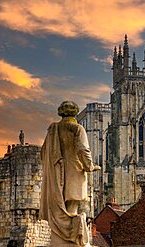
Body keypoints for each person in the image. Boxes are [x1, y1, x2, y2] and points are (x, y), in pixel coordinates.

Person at [40, 101, 100, 246]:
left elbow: (43, 152)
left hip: (57, 174)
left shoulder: (53, 130)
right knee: (72, 207)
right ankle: (71, 238)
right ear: (75, 112)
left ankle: (61, 239)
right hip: (75, 172)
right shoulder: (77, 129)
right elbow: (83, 149)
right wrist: (89, 166)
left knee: (61, 207)